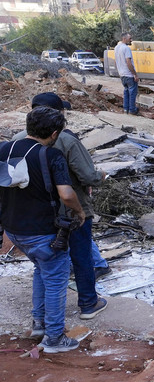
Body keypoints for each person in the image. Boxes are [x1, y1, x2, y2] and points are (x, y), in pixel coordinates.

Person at [13, 93, 110, 320]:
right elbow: (87, 177)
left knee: (44, 265)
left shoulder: (17, 141)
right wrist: (101, 176)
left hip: (35, 215)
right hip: (70, 212)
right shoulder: (66, 140)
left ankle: (42, 315)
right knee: (81, 256)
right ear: (59, 115)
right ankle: (87, 303)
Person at [0, 107, 87, 352]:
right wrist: (80, 213)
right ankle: (55, 338)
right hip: (43, 231)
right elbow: (67, 195)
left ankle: (39, 323)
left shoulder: (4, 149)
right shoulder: (51, 155)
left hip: (14, 229)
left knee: (41, 270)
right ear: (54, 133)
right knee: (56, 280)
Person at [114, 32, 139, 115]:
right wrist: (135, 74)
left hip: (122, 74)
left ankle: (126, 109)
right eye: (129, 38)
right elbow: (128, 62)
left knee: (126, 91)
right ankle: (132, 110)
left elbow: (116, 61)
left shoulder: (116, 47)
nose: (131, 40)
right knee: (132, 92)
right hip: (129, 74)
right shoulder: (126, 48)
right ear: (124, 39)